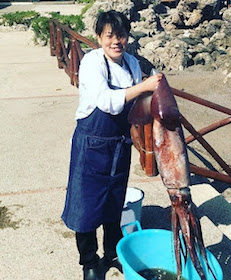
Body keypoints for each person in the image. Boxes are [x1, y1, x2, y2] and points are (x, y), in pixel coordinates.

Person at [61, 10, 162, 280]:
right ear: (98, 37)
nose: (116, 41)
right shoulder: (92, 63)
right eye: (109, 36)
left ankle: (113, 253)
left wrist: (156, 88)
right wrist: (144, 87)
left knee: (113, 203)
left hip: (119, 143)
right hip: (91, 142)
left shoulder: (131, 63)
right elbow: (107, 101)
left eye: (121, 35)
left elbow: (140, 101)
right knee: (86, 205)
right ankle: (89, 261)